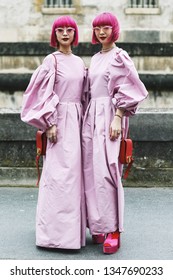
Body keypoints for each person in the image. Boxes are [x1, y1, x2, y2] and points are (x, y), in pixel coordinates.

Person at [82, 12, 148, 254]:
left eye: (106, 27)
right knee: (91, 172)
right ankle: (99, 225)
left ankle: (114, 230)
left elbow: (131, 88)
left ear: (114, 29)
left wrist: (118, 118)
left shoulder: (120, 56)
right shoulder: (96, 57)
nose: (101, 32)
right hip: (91, 117)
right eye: (97, 27)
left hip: (111, 116)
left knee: (109, 172)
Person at [21, 16, 87, 250]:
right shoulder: (51, 61)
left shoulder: (79, 62)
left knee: (75, 177)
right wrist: (49, 122)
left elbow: (84, 95)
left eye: (70, 30)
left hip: (78, 121)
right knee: (59, 177)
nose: (66, 34)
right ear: (55, 35)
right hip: (59, 122)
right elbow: (40, 94)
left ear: (75, 34)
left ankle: (72, 233)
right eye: (61, 30)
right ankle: (53, 235)